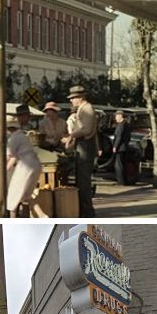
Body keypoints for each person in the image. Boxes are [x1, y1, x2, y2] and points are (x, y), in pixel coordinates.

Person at [61, 85, 97, 217]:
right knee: (81, 180)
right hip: (83, 144)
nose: (71, 101)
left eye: (73, 98)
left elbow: (86, 130)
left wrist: (71, 136)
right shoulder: (83, 109)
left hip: (85, 145)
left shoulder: (87, 109)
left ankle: (87, 212)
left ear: (80, 98)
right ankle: (84, 210)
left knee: (83, 181)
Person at [6, 105, 45, 218]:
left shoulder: (14, 138)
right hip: (33, 164)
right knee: (26, 196)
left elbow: (10, 156)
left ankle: (13, 219)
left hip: (25, 165)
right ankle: (41, 216)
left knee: (14, 194)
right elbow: (12, 157)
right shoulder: (20, 134)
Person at [111, 110, 131, 186]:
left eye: (116, 116)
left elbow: (118, 137)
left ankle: (120, 181)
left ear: (120, 116)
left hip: (120, 147)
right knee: (122, 164)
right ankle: (124, 180)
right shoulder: (126, 124)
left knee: (118, 165)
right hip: (124, 147)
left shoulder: (121, 125)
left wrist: (115, 146)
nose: (115, 118)